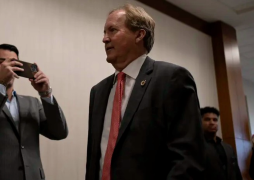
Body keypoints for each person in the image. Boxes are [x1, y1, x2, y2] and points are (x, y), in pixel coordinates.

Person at [85, 4, 205, 180]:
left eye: (112, 30)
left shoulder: (171, 79)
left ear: (139, 35)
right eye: (104, 32)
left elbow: (188, 158)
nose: (104, 39)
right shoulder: (98, 92)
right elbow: (94, 160)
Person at [0, 44, 68, 180]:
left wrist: (45, 93)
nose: (8, 67)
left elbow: (60, 132)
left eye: (13, 63)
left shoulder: (33, 103)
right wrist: (0, 84)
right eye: (2, 62)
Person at [202, 107, 242, 180]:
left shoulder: (228, 148)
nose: (212, 122)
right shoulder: (196, 146)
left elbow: (236, 171)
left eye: (215, 120)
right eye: (207, 119)